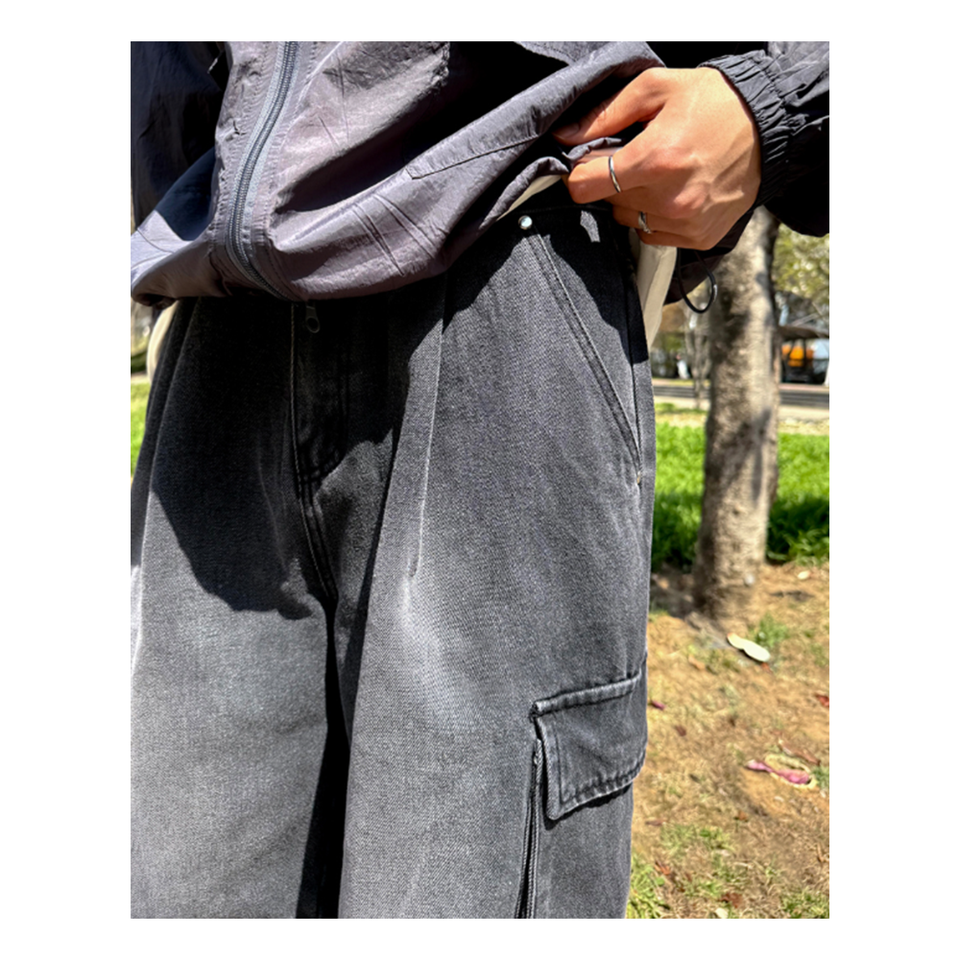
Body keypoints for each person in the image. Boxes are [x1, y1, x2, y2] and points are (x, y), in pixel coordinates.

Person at [130, 41, 828, 918]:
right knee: (183, 892)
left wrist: (779, 99)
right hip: (220, 327)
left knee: (464, 895)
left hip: (506, 274)